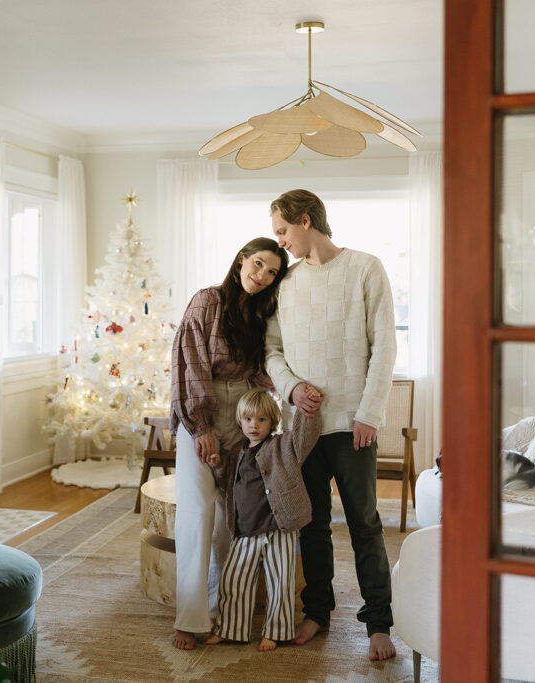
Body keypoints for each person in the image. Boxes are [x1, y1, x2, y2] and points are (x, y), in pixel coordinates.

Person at [264, 189, 398, 661]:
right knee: (313, 524)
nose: (280, 242)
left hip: (353, 424)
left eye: (282, 231)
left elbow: (383, 345)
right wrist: (292, 388)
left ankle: (378, 622)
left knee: (364, 523)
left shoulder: (365, 267)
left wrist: (369, 414)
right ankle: (317, 610)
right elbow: (272, 350)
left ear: (305, 221)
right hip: (304, 426)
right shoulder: (287, 283)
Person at [169, 237, 289, 650]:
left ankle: (224, 612)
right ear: (242, 260)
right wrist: (201, 427)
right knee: (197, 510)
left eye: (272, 272)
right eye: (258, 264)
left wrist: (291, 390)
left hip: (244, 415)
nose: (262, 276)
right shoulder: (207, 301)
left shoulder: (261, 314)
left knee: (231, 513)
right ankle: (190, 618)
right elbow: (191, 362)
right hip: (201, 409)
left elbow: (259, 372)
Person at [204, 386, 321, 652]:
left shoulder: (282, 446)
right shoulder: (236, 453)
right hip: (245, 530)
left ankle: (276, 632)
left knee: (279, 582)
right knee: (234, 580)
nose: (253, 425)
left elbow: (305, 437)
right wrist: (216, 463)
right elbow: (227, 483)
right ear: (240, 421)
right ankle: (230, 629)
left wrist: (308, 408)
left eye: (261, 420)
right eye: (248, 419)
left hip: (278, 529)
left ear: (272, 422)